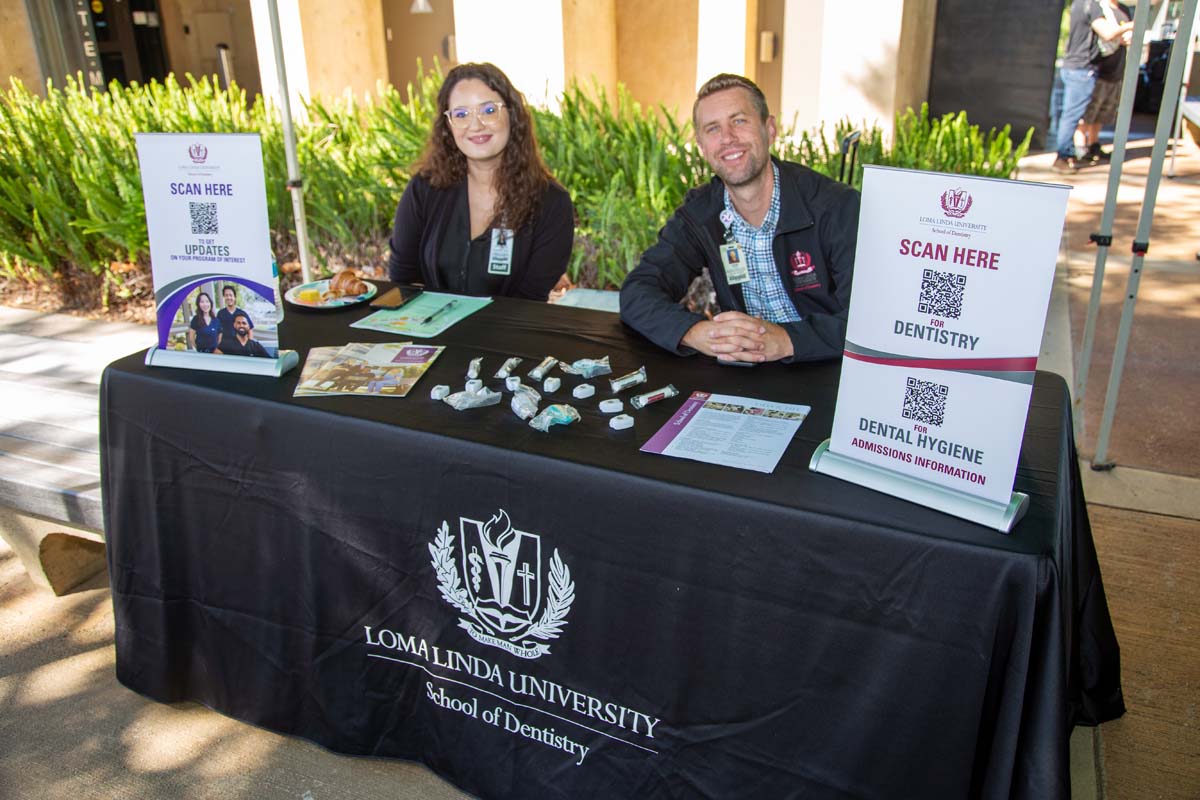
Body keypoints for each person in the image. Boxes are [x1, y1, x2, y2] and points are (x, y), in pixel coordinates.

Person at [619, 74, 860, 363]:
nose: (727, 138)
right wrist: (697, 332)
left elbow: (868, 321)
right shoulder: (700, 214)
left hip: (829, 369)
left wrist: (786, 341)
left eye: (739, 121)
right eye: (713, 129)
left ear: (769, 130)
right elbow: (638, 291)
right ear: (702, 147)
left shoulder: (836, 207)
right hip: (749, 375)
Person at [386, 63, 575, 301]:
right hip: (427, 332)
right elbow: (403, 280)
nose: (475, 125)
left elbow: (529, 301)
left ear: (513, 115)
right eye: (461, 114)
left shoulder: (551, 204)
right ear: (448, 125)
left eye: (488, 111)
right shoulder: (425, 189)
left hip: (505, 335)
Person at [1054, 0, 1136, 173]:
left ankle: (1072, 153)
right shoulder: (1091, 4)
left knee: (1075, 115)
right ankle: (1063, 156)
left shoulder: (1085, 4)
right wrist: (1131, 25)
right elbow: (1107, 33)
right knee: (1074, 116)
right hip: (1082, 68)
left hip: (1083, 68)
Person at [1080, 0, 1134, 165]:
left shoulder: (1124, 9)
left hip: (1116, 69)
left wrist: (1129, 33)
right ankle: (1080, 148)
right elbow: (1107, 33)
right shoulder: (1097, 7)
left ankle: (1093, 144)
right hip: (1097, 69)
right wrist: (1128, 27)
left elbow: (1124, 36)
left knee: (1104, 111)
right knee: (1087, 112)